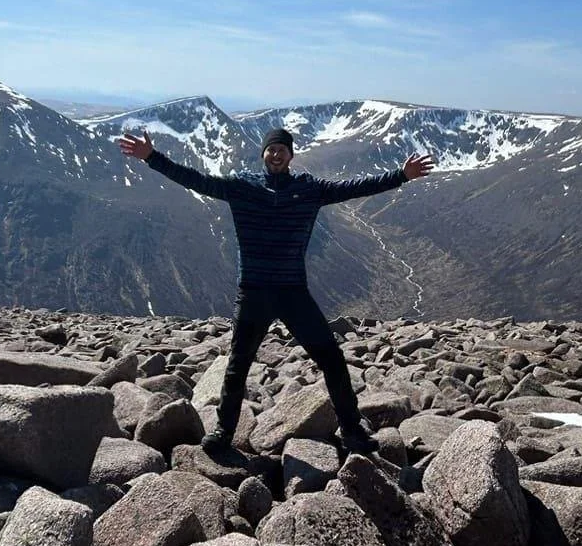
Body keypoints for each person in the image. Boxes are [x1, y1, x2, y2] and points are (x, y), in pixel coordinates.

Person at [119, 125, 434, 455]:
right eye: (271, 148)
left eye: (282, 148)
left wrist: (401, 175)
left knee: (332, 359)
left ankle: (353, 431)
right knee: (238, 366)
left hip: (293, 292)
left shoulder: (309, 189)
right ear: (263, 154)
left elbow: (353, 188)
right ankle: (224, 433)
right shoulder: (242, 187)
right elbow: (197, 180)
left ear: (291, 155)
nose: (276, 153)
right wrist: (152, 157)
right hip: (254, 291)